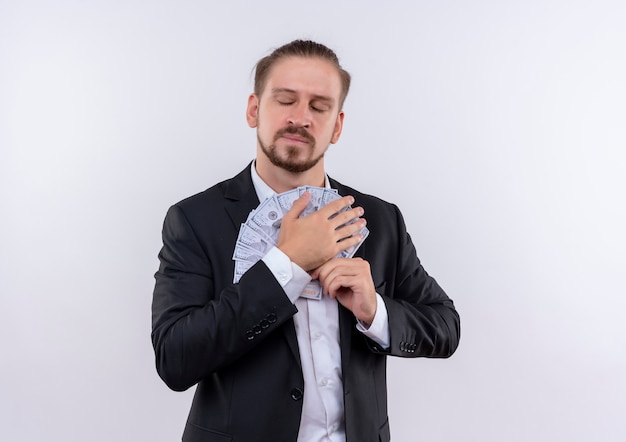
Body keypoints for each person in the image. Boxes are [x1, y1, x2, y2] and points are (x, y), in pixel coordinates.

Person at [152, 39, 460, 442]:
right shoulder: (194, 219)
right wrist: (286, 265)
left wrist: (375, 312)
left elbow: (445, 325)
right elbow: (175, 359)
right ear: (253, 109)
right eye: (285, 101)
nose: (301, 118)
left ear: (337, 125)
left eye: (319, 107)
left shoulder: (380, 219)